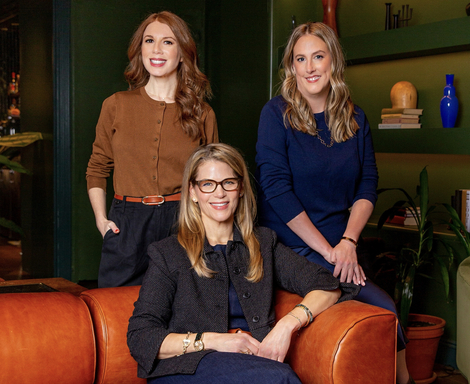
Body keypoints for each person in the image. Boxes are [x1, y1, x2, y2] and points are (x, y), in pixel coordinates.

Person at [255, 22, 413, 384]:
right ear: (291, 68)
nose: (310, 67)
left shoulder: (356, 118)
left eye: (318, 56)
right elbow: (276, 190)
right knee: (382, 305)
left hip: (340, 244)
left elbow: (367, 185)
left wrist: (349, 242)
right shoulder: (275, 114)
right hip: (290, 243)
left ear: (333, 62)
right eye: (300, 59)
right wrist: (330, 251)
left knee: (386, 309)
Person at [127, 143, 359, 383]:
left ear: (240, 189)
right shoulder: (168, 253)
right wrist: (216, 340)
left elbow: (327, 285)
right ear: (193, 192)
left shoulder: (262, 243)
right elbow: (141, 336)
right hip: (188, 369)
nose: (220, 193)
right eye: (208, 184)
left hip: (253, 362)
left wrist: (286, 325)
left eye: (229, 182)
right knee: (279, 379)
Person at [86, 11, 218, 288]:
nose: (156, 49)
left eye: (168, 42)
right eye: (149, 40)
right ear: (140, 50)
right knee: (117, 310)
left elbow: (212, 179)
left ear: (182, 53)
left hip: (182, 220)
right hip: (127, 221)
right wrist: (101, 220)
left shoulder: (202, 113)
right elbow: (98, 166)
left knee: (180, 309)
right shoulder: (116, 104)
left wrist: (206, 227)